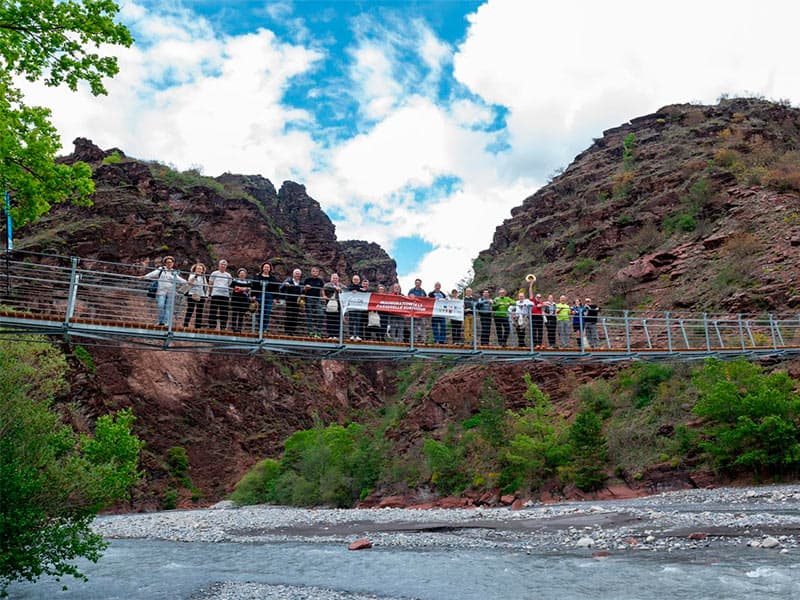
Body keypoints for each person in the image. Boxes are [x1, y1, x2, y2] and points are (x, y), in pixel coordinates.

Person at [143, 255, 187, 326]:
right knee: (161, 305)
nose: (169, 264)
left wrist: (188, 282)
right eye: (167, 262)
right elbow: (153, 274)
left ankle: (166, 323)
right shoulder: (161, 269)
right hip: (161, 292)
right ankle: (161, 321)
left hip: (170, 293)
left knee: (168, 308)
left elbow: (180, 280)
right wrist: (144, 276)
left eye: (171, 262)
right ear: (165, 263)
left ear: (173, 263)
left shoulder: (174, 272)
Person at [252, 261, 278, 333]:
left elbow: (276, 288)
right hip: (259, 295)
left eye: (268, 267)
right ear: (262, 268)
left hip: (269, 296)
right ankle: (260, 327)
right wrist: (253, 295)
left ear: (270, 269)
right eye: (265, 267)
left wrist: (275, 298)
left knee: (267, 312)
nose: (266, 268)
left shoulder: (273, 278)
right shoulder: (257, 276)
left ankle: (264, 329)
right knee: (260, 312)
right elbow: (254, 286)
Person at [207, 259, 232, 330]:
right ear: (219, 265)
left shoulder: (228, 275)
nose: (223, 266)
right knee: (213, 310)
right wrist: (209, 293)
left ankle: (223, 327)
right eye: (222, 264)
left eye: (225, 265)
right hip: (215, 294)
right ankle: (212, 326)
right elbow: (210, 283)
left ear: (226, 266)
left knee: (224, 312)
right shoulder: (214, 273)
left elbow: (229, 284)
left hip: (225, 295)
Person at [183, 262, 208, 328]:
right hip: (192, 294)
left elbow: (205, 286)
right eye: (198, 268)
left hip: (201, 295)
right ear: (195, 269)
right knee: (190, 309)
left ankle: (198, 326)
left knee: (200, 311)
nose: (199, 270)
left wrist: (206, 295)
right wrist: (195, 276)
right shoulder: (192, 275)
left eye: (200, 269)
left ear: (203, 270)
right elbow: (190, 282)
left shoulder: (203, 277)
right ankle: (185, 324)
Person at [280, 268, 304, 336]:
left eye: (299, 274)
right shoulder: (288, 281)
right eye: (296, 273)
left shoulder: (301, 283)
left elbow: (302, 292)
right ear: (293, 274)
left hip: (297, 301)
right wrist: (285, 285)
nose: (297, 275)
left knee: (295, 316)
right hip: (289, 300)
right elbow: (281, 288)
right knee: (289, 315)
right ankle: (287, 331)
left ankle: (292, 331)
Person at [303, 266, 325, 338]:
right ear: (311, 272)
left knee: (321, 314)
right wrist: (306, 288)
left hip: (317, 299)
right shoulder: (307, 280)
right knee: (309, 315)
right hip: (308, 298)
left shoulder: (320, 280)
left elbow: (322, 289)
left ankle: (318, 332)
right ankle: (311, 332)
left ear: (318, 273)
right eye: (313, 271)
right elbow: (303, 290)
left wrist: (324, 296)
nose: (315, 272)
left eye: (316, 271)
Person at [229, 268, 252, 333]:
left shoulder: (248, 282)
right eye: (241, 274)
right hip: (235, 299)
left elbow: (249, 289)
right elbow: (234, 288)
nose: (242, 275)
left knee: (241, 314)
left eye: (243, 274)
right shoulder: (234, 280)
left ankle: (239, 328)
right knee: (234, 313)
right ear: (238, 274)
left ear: (245, 275)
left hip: (244, 300)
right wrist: (243, 289)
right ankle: (233, 327)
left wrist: (241, 289)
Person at [323, 273, 343, 339]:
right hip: (329, 305)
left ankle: (336, 335)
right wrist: (335, 288)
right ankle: (330, 335)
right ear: (331, 279)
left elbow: (345, 288)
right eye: (333, 278)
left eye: (336, 278)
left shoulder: (340, 285)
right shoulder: (328, 284)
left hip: (338, 306)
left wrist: (340, 288)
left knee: (337, 320)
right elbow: (325, 287)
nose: (335, 279)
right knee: (329, 320)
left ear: (338, 279)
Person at [407, 278, 427, 344]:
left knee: (423, 325)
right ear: (415, 283)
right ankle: (414, 340)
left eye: (419, 283)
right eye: (416, 283)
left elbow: (427, 300)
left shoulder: (423, 291)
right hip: (414, 311)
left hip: (422, 311)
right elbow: (407, 299)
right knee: (414, 326)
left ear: (420, 284)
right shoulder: (411, 291)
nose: (417, 284)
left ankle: (423, 340)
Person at [347, 274, 365, 340]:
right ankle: (351, 335)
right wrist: (354, 290)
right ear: (352, 280)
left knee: (358, 321)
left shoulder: (361, 287)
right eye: (354, 279)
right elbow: (348, 289)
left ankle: (357, 335)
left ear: (359, 280)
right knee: (351, 321)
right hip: (351, 306)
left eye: (357, 279)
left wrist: (358, 290)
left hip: (359, 306)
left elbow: (365, 290)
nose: (356, 281)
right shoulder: (350, 286)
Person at [528, 281, 545, 348]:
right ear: (535, 297)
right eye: (537, 297)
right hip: (533, 316)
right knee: (534, 331)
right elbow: (530, 293)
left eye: (539, 297)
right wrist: (531, 285)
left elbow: (543, 305)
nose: (538, 298)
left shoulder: (541, 302)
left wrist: (542, 305)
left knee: (540, 331)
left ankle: (540, 344)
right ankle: (535, 344)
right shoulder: (532, 301)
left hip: (540, 317)